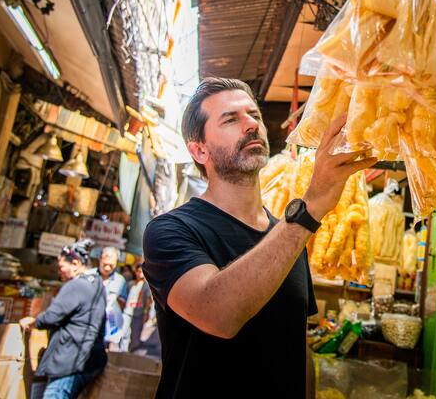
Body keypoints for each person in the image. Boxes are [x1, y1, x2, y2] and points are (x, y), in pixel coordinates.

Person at [143, 78, 375, 397]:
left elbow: (299, 346)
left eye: (254, 115)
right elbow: (218, 315)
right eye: (230, 118)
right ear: (199, 150)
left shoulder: (289, 237)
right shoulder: (171, 231)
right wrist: (312, 205)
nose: (251, 124)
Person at [20, 239, 107, 399]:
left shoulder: (77, 285)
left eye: (61, 267)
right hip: (86, 359)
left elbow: (52, 316)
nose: (59, 272)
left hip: (71, 359)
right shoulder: (98, 284)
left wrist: (33, 321)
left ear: (75, 263)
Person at [121, 258, 160, 359]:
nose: (140, 273)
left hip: (139, 313)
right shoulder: (130, 284)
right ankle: (124, 352)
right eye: (138, 271)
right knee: (124, 333)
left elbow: (148, 301)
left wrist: (146, 314)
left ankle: (132, 353)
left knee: (135, 334)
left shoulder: (146, 285)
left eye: (141, 271)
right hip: (127, 312)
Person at [97, 246, 127, 349]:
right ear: (100, 259)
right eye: (105, 264)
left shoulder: (120, 281)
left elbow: (122, 304)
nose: (107, 268)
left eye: (111, 265)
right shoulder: (89, 276)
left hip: (107, 329)